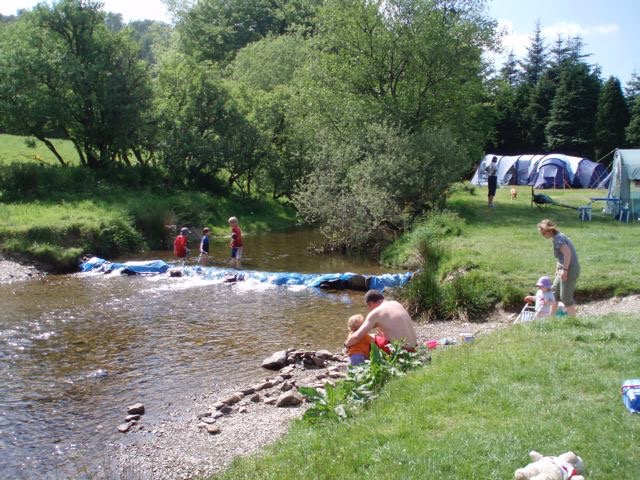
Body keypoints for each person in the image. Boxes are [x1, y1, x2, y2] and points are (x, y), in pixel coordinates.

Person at [345, 290, 417, 354]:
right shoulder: (395, 303)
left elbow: (357, 336)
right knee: (379, 334)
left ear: (370, 303)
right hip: (414, 348)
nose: (369, 309)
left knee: (371, 337)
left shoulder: (376, 312)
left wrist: (346, 344)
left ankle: (361, 356)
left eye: (368, 306)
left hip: (399, 352)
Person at [537, 219, 580, 316]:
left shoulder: (558, 238)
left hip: (570, 269)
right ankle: (551, 319)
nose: (543, 235)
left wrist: (565, 270)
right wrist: (558, 268)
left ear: (550, 230)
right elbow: (561, 256)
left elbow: (567, 254)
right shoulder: (557, 237)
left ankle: (573, 321)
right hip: (563, 268)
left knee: (565, 298)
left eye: (543, 233)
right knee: (554, 293)